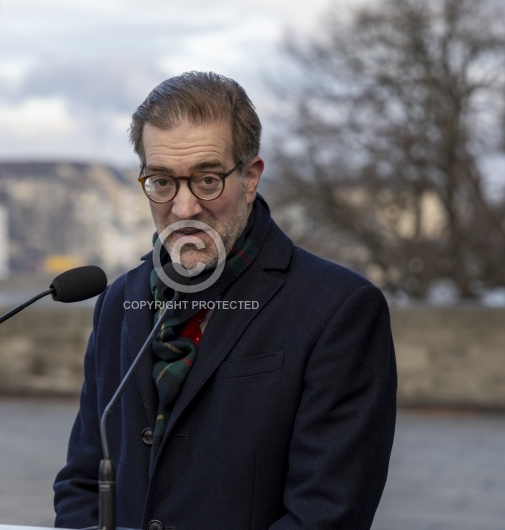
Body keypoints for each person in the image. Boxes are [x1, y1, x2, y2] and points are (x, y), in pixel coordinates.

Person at [53, 71, 397, 530]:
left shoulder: (340, 308)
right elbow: (82, 482)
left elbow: (327, 513)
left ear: (250, 177)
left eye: (208, 180)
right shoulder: (120, 301)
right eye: (161, 182)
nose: (183, 208)